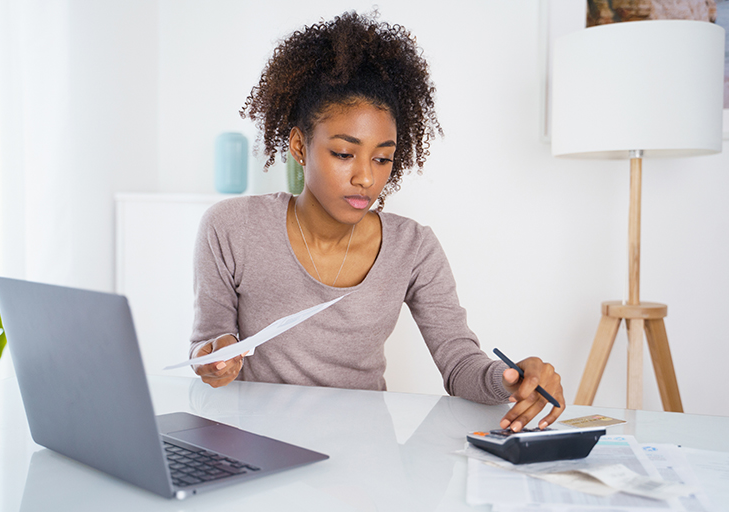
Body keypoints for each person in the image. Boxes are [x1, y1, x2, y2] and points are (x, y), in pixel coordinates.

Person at [189, 11, 564, 432]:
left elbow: (459, 362)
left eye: (383, 158)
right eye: (344, 154)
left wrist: (508, 379)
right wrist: (217, 358)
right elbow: (210, 340)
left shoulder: (414, 247)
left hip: (365, 455)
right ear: (299, 145)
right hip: (260, 444)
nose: (367, 177)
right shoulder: (231, 227)